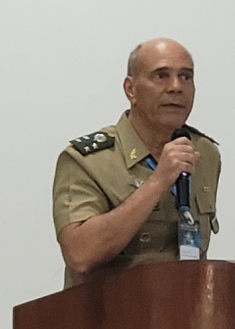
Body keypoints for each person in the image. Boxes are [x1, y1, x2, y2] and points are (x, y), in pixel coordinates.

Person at [53, 38, 221, 288]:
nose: (176, 87)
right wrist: (159, 181)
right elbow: (80, 254)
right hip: (108, 310)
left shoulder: (204, 152)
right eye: (161, 76)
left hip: (184, 307)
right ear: (130, 89)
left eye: (186, 77)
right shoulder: (87, 160)